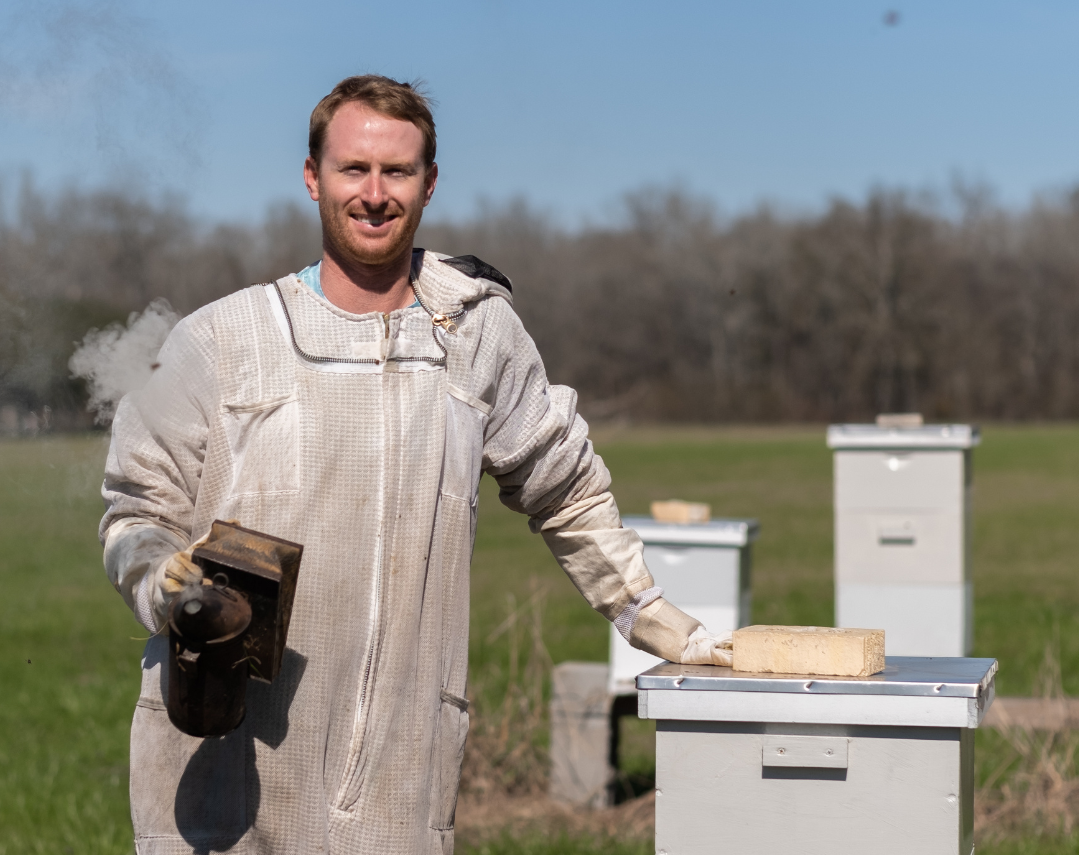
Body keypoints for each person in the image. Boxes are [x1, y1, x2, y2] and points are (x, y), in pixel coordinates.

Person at [99, 75, 732, 855]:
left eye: (396, 172)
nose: (373, 194)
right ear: (311, 177)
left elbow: (562, 485)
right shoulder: (220, 341)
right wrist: (158, 573)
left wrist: (643, 610)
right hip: (230, 761)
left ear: (429, 183)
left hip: (401, 768)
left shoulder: (474, 334)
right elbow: (135, 510)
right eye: (352, 169)